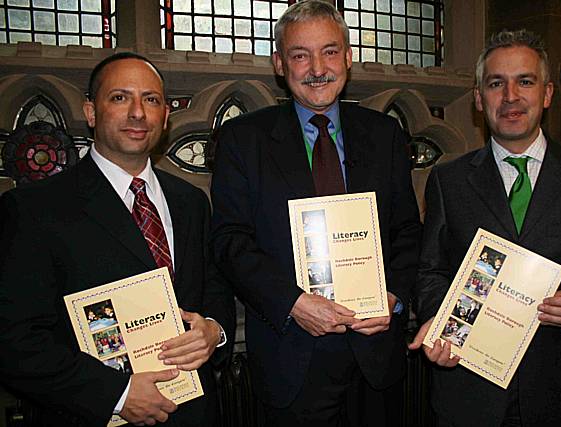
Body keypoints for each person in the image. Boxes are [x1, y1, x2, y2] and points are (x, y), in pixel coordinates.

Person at [409, 29, 561, 426]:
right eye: (496, 83)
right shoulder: (449, 181)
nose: (510, 96)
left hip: (550, 390)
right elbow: (431, 270)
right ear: (479, 100)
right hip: (466, 389)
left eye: (525, 81)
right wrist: (439, 320)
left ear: (547, 94)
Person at [209, 1, 421, 425]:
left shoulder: (385, 135)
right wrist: (293, 303)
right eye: (300, 55)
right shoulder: (242, 139)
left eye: (329, 51)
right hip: (291, 353)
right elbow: (230, 241)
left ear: (347, 57)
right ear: (279, 64)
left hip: (376, 356)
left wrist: (393, 297)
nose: (317, 68)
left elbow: (407, 231)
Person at [0, 52, 235, 427]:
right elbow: (15, 341)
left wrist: (213, 331)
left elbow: (214, 288)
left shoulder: (191, 202)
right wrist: (117, 394)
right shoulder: (33, 210)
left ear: (165, 116)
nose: (138, 112)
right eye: (120, 97)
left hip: (194, 412)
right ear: (91, 113)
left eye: (151, 99)